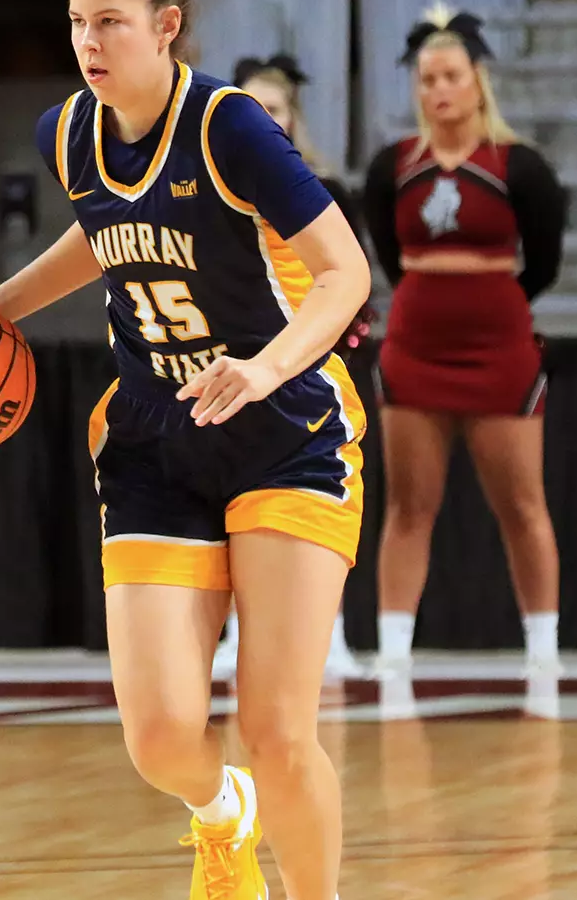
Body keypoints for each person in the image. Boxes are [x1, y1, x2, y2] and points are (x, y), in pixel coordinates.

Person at [0, 0, 370, 900]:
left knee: (273, 727)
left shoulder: (233, 128)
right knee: (163, 739)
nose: (89, 41)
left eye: (110, 23)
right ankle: (223, 816)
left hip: (284, 428)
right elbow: (104, 226)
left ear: (166, 26)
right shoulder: (69, 133)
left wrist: (266, 366)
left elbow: (345, 273)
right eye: (78, 22)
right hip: (154, 434)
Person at [360, 7, 568, 677]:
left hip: (498, 348)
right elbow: (389, 256)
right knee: (407, 504)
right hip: (415, 347)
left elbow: (544, 263)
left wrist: (490, 304)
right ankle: (394, 651)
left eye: (450, 76)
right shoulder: (392, 167)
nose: (438, 91)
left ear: (478, 80)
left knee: (522, 503)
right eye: (427, 80)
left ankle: (543, 649)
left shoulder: (520, 166)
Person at [218, 54, 374, 683]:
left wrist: (318, 348)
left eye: (274, 110)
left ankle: (331, 633)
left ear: (292, 120)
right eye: (251, 110)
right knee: (227, 506)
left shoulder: (324, 193)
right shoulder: (213, 192)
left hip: (306, 371)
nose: (263, 121)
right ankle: (233, 633)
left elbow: (350, 282)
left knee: (316, 506)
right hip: (232, 367)